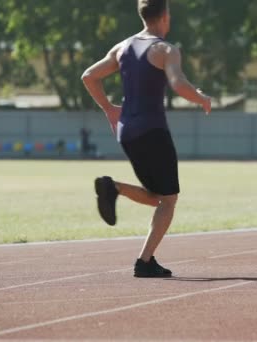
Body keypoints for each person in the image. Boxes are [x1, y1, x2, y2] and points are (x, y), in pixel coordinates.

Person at [81, 0, 212, 278]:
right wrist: (201, 97)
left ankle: (113, 188)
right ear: (165, 16)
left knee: (159, 198)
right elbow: (177, 83)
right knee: (169, 200)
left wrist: (108, 108)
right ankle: (144, 261)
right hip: (153, 131)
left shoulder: (122, 47)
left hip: (127, 132)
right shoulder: (165, 49)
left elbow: (89, 76)